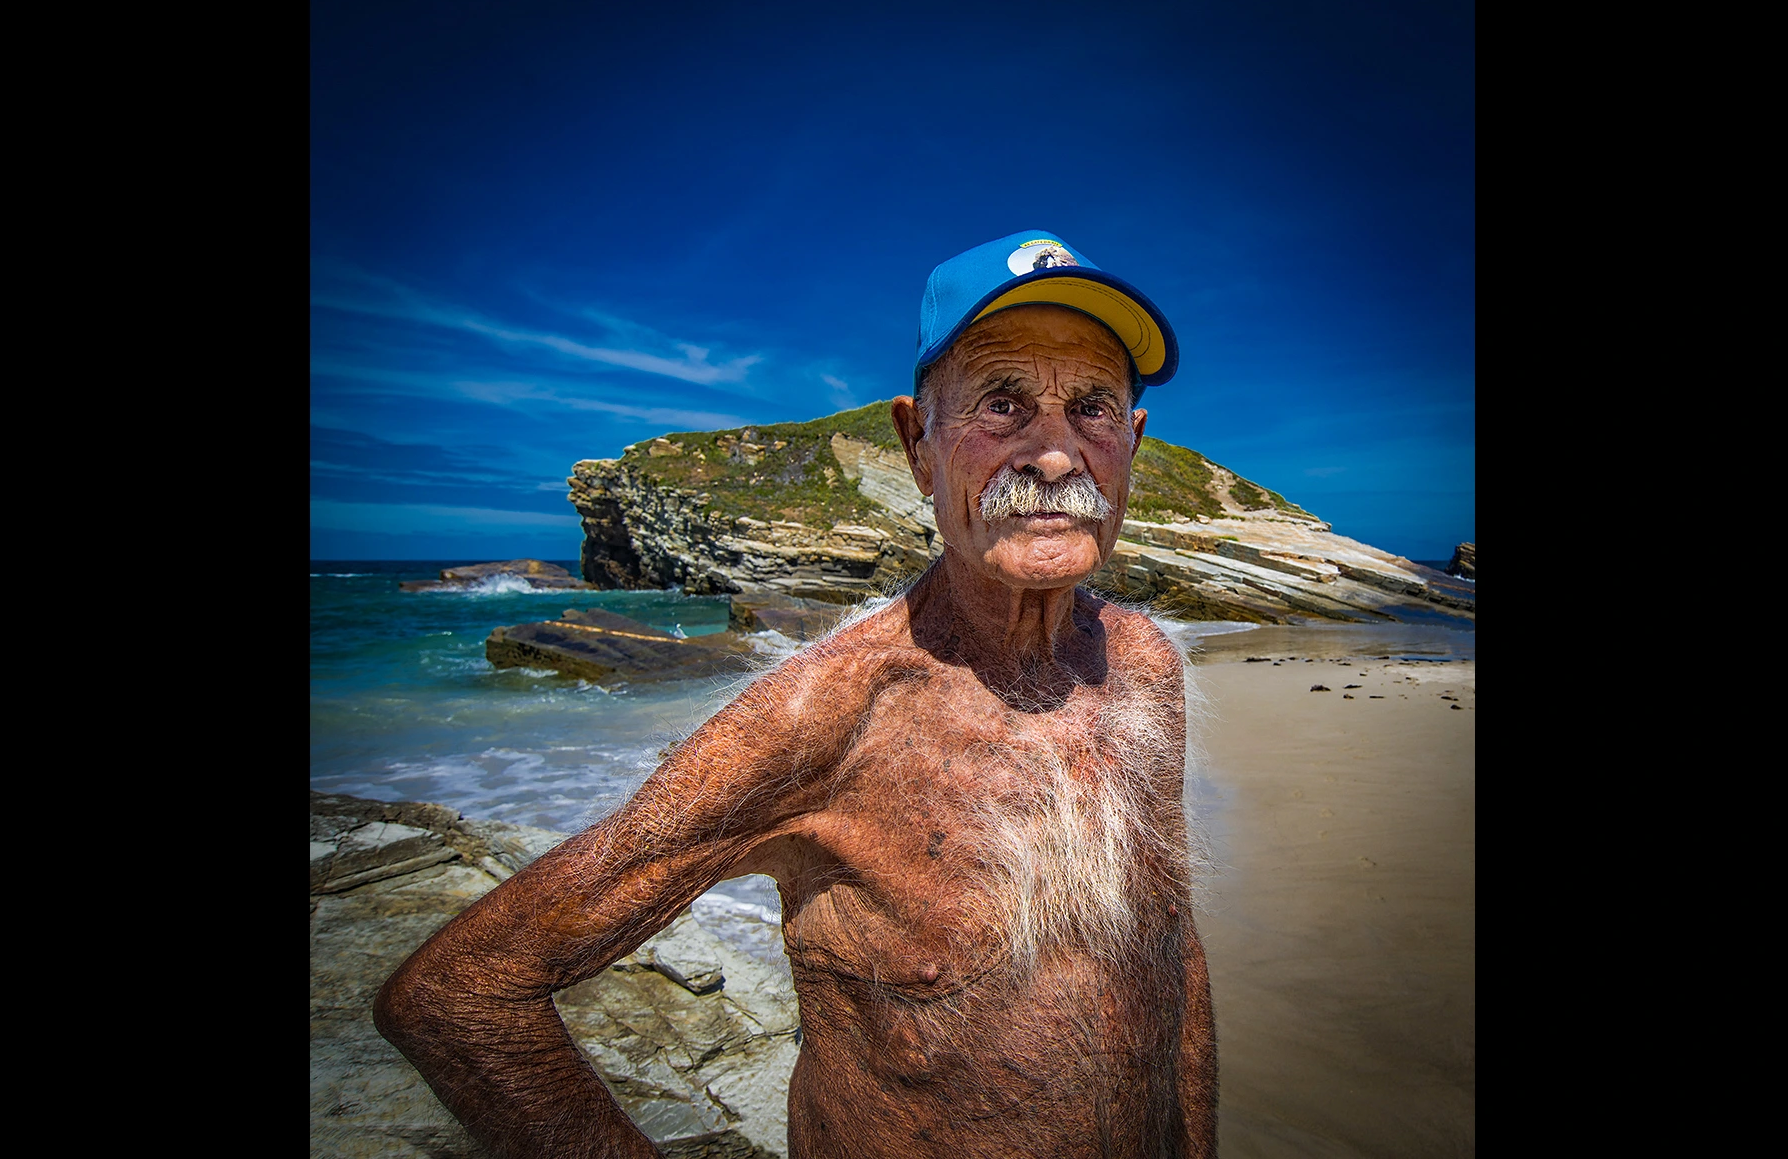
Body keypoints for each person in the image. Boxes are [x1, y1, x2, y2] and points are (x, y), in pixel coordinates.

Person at [374, 230, 1211, 1158]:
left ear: (1129, 442)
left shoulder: (1141, 665)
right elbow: (460, 991)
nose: (1055, 457)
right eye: (1003, 404)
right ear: (917, 444)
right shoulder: (835, 712)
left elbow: (1171, 950)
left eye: (1092, 407)